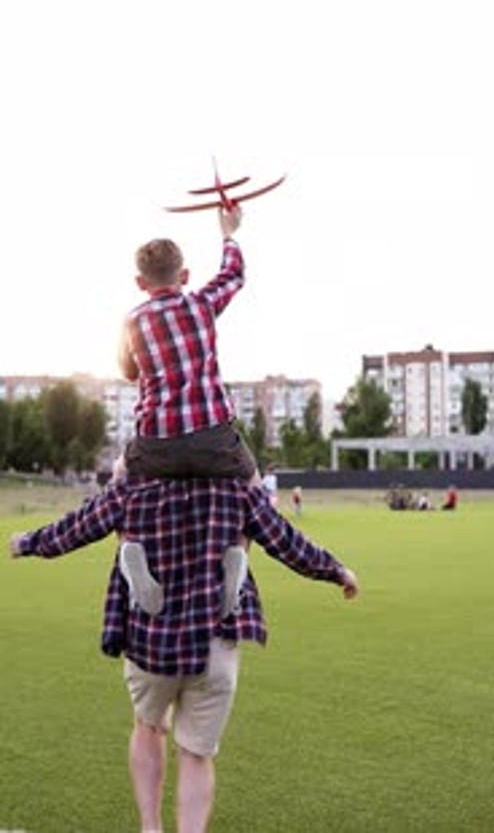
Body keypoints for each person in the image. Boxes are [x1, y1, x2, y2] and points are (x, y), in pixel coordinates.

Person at [9, 475, 359, 833]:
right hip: (213, 638)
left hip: (152, 641)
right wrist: (336, 571)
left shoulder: (132, 484)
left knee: (149, 727)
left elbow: (78, 527)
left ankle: (151, 828)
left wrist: (27, 543)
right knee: (196, 754)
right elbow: (286, 540)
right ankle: (227, 574)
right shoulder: (238, 486)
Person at [116, 203, 256, 618]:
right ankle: (237, 555)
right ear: (185, 276)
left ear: (140, 282)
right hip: (213, 436)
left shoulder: (131, 320)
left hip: (155, 441)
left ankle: (130, 548)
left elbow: (126, 371)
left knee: (117, 489)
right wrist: (228, 232)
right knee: (257, 492)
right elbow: (234, 275)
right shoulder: (200, 306)